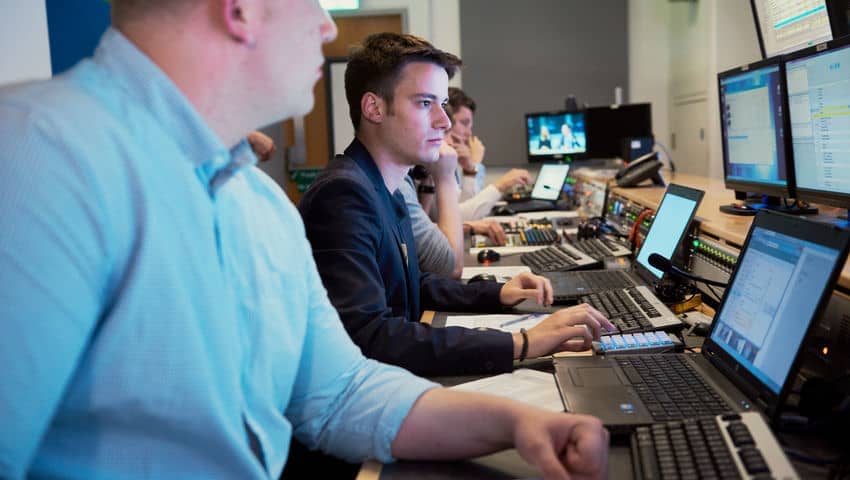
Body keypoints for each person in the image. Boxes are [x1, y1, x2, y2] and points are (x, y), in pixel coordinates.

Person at [0, 2, 609, 478]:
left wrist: (519, 425)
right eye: (310, 2)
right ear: (239, 9)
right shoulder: (34, 151)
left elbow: (338, 393)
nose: (325, 27)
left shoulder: (256, 201)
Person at [298, 32, 614, 378]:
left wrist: (497, 294)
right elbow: (370, 336)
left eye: (443, 104)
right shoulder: (344, 195)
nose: (444, 121)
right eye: (424, 103)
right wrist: (521, 343)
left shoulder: (382, 184)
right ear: (374, 108)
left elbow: (409, 284)